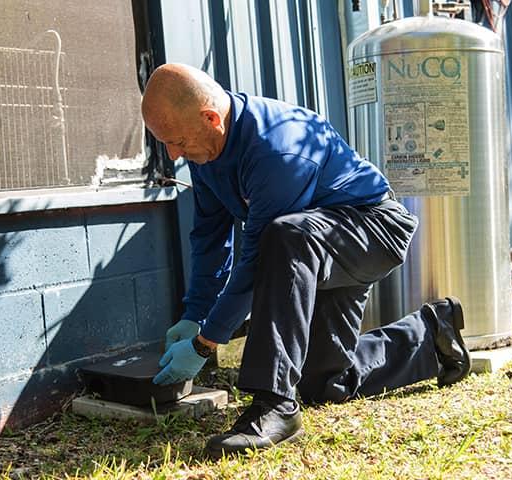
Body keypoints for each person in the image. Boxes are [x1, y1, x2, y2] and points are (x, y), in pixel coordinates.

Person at [141, 63, 470, 459]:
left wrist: (206, 341)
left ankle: (273, 405)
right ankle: (433, 335)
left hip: (372, 229)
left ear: (211, 118)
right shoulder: (206, 153)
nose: (174, 154)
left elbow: (258, 257)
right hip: (316, 244)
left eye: (176, 141)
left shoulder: (278, 146)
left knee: (283, 236)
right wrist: (195, 313)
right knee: (325, 383)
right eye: (166, 145)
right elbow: (210, 238)